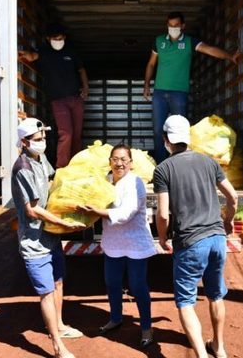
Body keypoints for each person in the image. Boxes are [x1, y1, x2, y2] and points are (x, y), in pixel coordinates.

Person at [152, 115, 238, 358]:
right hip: (217, 239)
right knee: (216, 294)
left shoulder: (163, 169)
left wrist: (162, 238)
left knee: (186, 301)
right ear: (187, 137)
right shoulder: (209, 162)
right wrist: (228, 221)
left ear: (165, 140)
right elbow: (232, 197)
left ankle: (201, 354)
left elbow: (163, 214)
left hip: (190, 242)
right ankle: (219, 348)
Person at [11, 117, 87, 358]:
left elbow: (53, 182)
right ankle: (57, 346)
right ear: (24, 142)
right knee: (45, 292)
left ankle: (61, 326)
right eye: (37, 139)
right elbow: (32, 210)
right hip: (34, 241)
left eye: (44, 138)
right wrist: (64, 222)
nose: (42, 142)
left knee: (58, 283)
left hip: (51, 237)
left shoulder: (40, 158)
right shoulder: (22, 168)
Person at [77, 144, 156, 347]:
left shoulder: (135, 182)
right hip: (113, 242)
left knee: (138, 286)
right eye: (115, 159)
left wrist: (97, 211)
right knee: (112, 283)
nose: (119, 163)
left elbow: (126, 213)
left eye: (124, 159)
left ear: (131, 163)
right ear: (109, 161)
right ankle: (115, 318)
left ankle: (146, 328)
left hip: (135, 243)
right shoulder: (105, 181)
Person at [143, 11, 242, 163]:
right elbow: (151, 64)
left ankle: (180, 163)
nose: (173, 28)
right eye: (170, 25)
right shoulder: (159, 41)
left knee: (181, 131)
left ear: (183, 26)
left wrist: (229, 56)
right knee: (158, 130)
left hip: (179, 94)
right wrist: (146, 85)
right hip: (159, 92)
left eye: (176, 25)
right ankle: (161, 165)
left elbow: (209, 49)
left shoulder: (189, 42)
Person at [19, 23, 90, 168]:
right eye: (54, 38)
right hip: (58, 101)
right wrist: (23, 55)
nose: (58, 41)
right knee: (66, 134)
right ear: (48, 38)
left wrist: (86, 87)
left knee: (76, 136)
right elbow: (33, 56)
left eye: (60, 38)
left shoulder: (71, 52)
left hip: (76, 99)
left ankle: (76, 167)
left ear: (64, 37)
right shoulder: (45, 51)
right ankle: (62, 169)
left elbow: (81, 70)